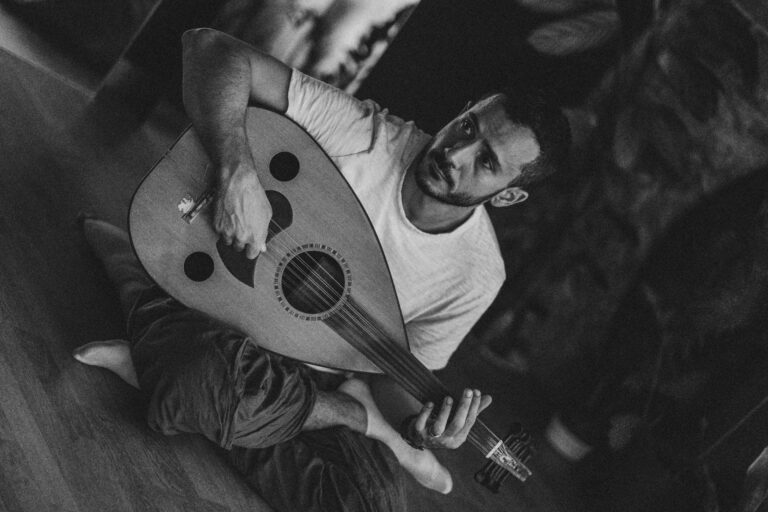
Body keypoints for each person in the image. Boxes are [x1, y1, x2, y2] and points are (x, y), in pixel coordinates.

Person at [74, 27, 570, 512]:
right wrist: (236, 171)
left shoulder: (477, 274)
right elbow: (209, 49)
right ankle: (326, 412)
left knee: (372, 504)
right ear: (465, 109)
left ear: (508, 196)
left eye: (486, 162)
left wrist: (418, 428)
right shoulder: (365, 136)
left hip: (301, 369)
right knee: (197, 376)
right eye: (468, 127)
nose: (456, 153)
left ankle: (185, 375)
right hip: (212, 310)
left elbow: (389, 372)